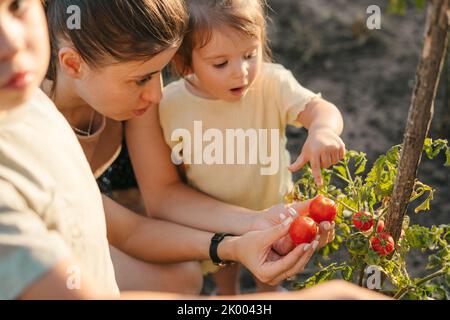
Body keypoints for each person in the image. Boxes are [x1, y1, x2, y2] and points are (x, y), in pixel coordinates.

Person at [41, 0, 335, 294]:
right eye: (141, 79)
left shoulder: (124, 101)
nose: (157, 94)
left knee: (181, 277)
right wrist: (232, 245)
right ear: (72, 64)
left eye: (160, 72)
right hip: (34, 242)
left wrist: (255, 222)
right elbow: (130, 232)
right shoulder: (35, 133)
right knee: (179, 281)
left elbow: (158, 201)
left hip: (91, 216)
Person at [157, 0, 346, 294]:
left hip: (270, 205)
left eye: (250, 55)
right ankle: (227, 293)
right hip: (213, 215)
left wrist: (322, 130)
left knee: (276, 256)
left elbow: (320, 108)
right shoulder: (171, 104)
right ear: (185, 62)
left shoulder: (273, 84)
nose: (241, 72)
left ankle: (267, 292)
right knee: (224, 261)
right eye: (221, 63)